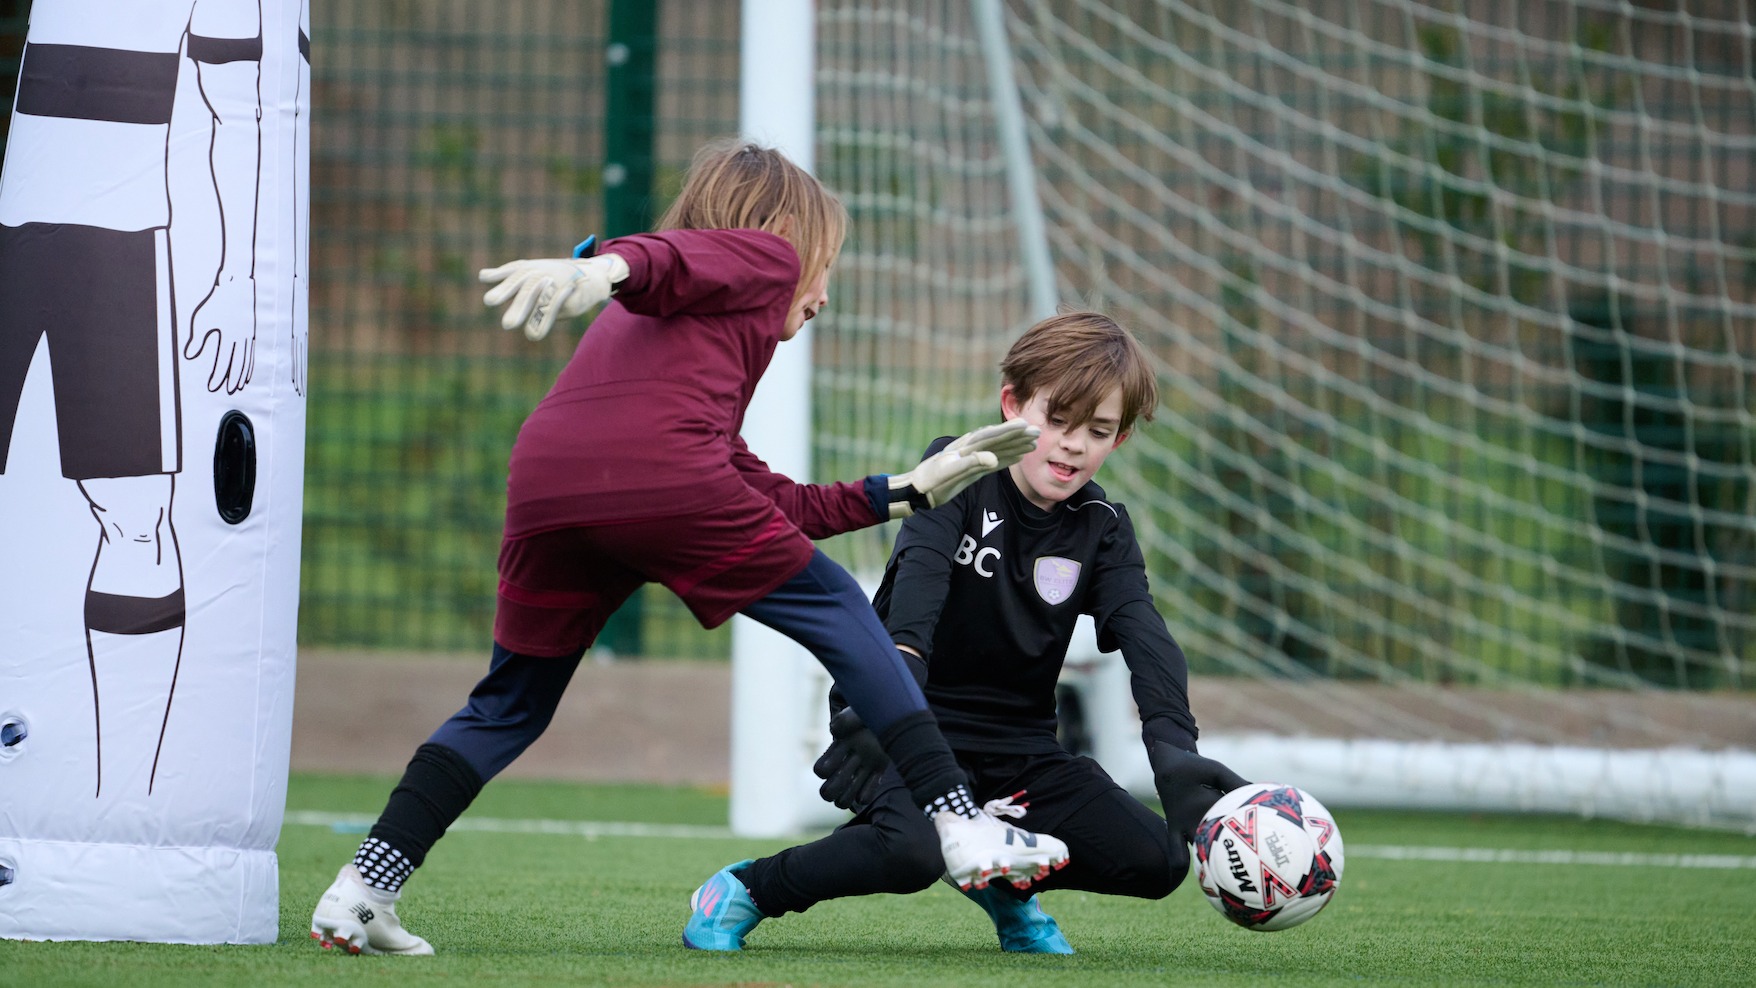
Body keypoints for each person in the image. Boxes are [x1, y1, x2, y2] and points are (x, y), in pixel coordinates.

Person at [307, 139, 1070, 956]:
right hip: (655, 476)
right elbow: (667, 259)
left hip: (548, 483)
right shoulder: (758, 258)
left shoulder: (676, 346)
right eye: (825, 265)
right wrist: (599, 268)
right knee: (839, 603)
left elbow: (759, 491)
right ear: (785, 238)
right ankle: (960, 822)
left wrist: (908, 490)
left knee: (510, 703)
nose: (820, 294)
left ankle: (363, 888)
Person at [681, 311, 1250, 953]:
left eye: (1096, 431)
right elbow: (917, 594)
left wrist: (1173, 749)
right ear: (1012, 404)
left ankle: (999, 877)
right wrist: (885, 700)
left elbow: (1144, 634)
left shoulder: (1103, 527)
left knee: (1157, 862)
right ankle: (748, 888)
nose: (1071, 445)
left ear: (1116, 441)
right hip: (906, 717)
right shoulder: (955, 473)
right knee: (912, 854)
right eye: (1056, 420)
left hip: (1020, 748)